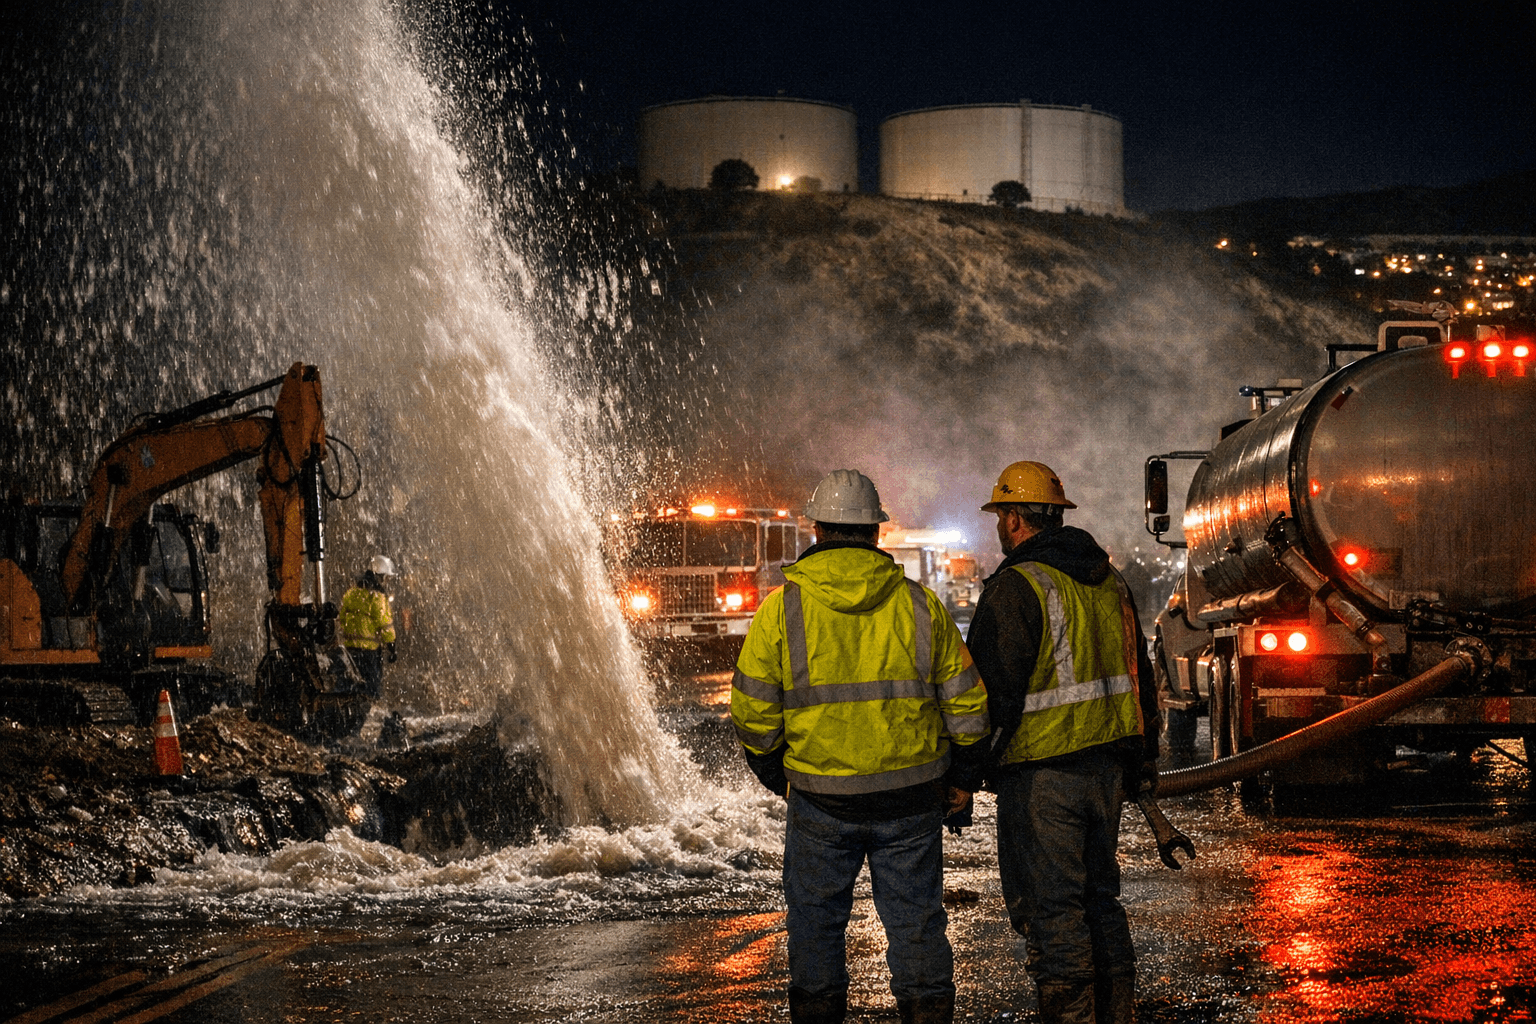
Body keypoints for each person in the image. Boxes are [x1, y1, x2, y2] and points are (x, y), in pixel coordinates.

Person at [731, 470, 990, 1024]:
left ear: (817, 529)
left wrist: (782, 776)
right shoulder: (921, 606)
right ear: (876, 532)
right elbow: (968, 708)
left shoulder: (782, 609)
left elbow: (752, 712)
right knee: (917, 928)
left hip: (820, 802)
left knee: (815, 929)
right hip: (911, 799)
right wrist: (962, 777)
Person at [965, 462, 1159, 1024]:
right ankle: (1116, 1013)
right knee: (1100, 901)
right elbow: (1141, 677)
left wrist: (964, 774)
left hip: (1041, 777)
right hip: (1107, 774)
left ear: (1015, 519)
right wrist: (1142, 760)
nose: (999, 526)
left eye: (1000, 515)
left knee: (1053, 911)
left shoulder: (1017, 587)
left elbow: (990, 697)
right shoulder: (1110, 581)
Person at [340, 555, 398, 697]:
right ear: (380, 576)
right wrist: (391, 647)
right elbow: (385, 626)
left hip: (350, 650)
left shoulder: (351, 593)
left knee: (352, 688)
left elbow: (342, 618)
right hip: (369, 653)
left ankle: (353, 708)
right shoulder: (377, 598)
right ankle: (366, 707)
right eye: (386, 578)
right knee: (371, 690)